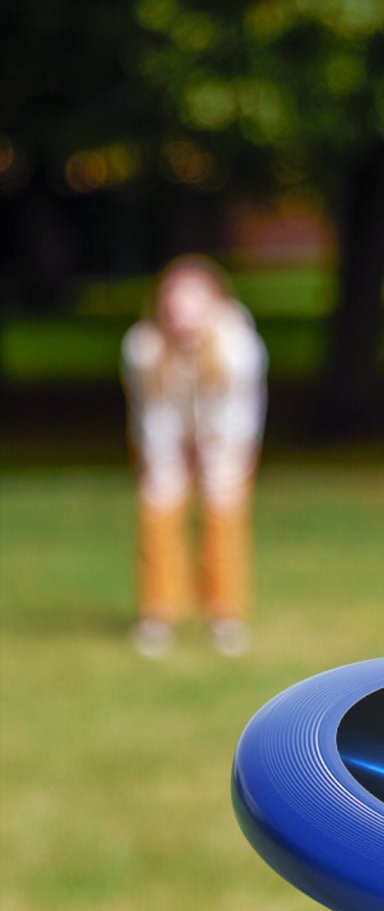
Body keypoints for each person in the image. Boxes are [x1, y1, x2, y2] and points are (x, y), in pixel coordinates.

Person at [121, 255, 267, 658]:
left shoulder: (239, 346)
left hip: (225, 440)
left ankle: (225, 615)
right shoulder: (143, 347)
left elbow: (239, 414)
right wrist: (168, 461)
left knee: (223, 515)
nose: (182, 315)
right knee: (158, 511)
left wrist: (215, 456)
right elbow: (152, 414)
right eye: (174, 303)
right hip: (165, 438)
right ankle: (158, 614)